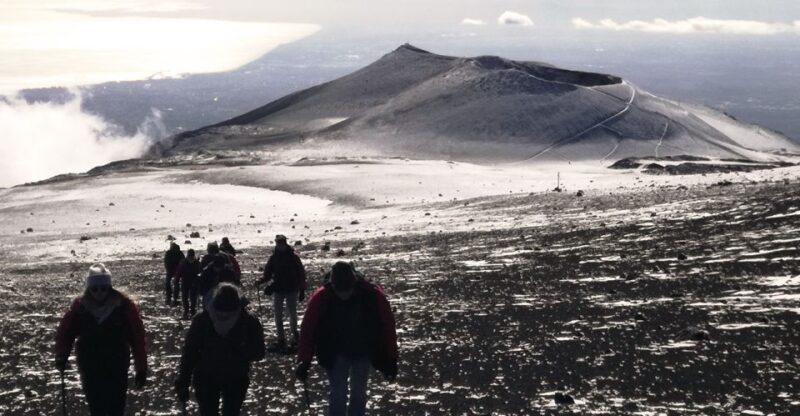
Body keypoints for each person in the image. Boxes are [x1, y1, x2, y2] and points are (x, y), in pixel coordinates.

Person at [294, 262, 398, 416]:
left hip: (363, 350)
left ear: (354, 283)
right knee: (338, 391)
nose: (344, 294)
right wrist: (304, 360)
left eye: (347, 290)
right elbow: (308, 329)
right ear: (332, 285)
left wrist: (391, 357)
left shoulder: (371, 295)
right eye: (339, 290)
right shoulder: (321, 297)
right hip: (335, 351)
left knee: (359, 392)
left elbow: (388, 326)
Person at [54, 263, 148, 416]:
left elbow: (137, 337)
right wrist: (61, 355)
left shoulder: (123, 306)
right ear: (89, 289)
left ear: (109, 287)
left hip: (116, 363)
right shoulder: (80, 307)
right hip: (90, 365)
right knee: (96, 405)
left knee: (115, 405)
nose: (99, 292)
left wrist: (141, 367)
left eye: (103, 288)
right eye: (95, 288)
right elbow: (66, 333)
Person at [175, 283, 265, 416]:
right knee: (231, 412)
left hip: (206, 375)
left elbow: (190, 352)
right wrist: (240, 351)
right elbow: (259, 353)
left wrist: (183, 380)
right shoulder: (249, 320)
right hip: (236, 375)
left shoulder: (202, 319)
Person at [256, 234, 306, 352]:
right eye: (279, 243)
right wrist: (261, 281)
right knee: (278, 315)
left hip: (292, 289)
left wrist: (302, 290)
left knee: (292, 314)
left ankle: (294, 337)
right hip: (278, 289)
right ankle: (281, 339)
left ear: (285, 243)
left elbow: (301, 274)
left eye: (282, 243)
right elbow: (267, 274)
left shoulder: (293, 257)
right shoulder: (274, 258)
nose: (280, 245)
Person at [174, 249, 201, 319]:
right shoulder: (197, 263)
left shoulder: (183, 262)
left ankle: (186, 311)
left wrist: (176, 280)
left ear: (188, 255)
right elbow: (200, 273)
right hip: (194, 282)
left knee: (185, 297)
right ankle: (192, 311)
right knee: (193, 297)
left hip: (185, 282)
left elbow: (178, 272)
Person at [164, 242, 185, 306]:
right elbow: (183, 261)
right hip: (176, 270)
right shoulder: (179, 252)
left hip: (172, 270)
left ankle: (169, 296)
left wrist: (168, 269)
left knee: (169, 283)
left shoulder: (168, 253)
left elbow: (166, 262)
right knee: (176, 283)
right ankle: (174, 296)